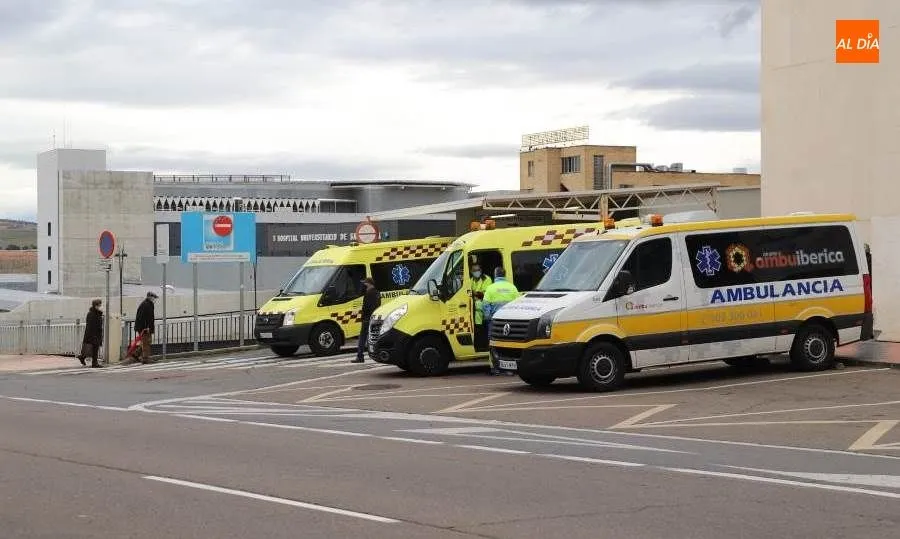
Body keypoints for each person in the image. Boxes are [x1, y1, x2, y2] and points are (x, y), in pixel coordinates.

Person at [482, 267, 520, 375]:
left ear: (495, 275)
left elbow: (485, 305)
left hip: (496, 322)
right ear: (505, 275)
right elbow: (518, 304)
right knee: (510, 344)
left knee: (494, 344)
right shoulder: (512, 288)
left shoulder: (490, 288)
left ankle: (495, 368)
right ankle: (510, 369)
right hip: (511, 322)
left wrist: (488, 317)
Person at [353, 277, 381, 363]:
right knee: (374, 337)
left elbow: (368, 307)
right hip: (374, 318)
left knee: (362, 338)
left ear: (369, 284)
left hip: (367, 318)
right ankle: (378, 355)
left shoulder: (369, 294)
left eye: (365, 283)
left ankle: (360, 356)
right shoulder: (376, 293)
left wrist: (363, 315)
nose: (363, 285)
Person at [470, 263, 492, 351]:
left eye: (478, 270)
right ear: (471, 272)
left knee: (486, 328)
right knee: (478, 329)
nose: (476, 272)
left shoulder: (486, 279)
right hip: (476, 311)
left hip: (486, 307)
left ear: (481, 270)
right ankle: (480, 346)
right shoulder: (470, 280)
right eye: (474, 270)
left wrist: (475, 293)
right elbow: (468, 293)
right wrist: (476, 294)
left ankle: (487, 346)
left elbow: (485, 294)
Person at [76, 299, 104, 368]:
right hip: (93, 334)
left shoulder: (97, 313)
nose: (100, 306)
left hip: (95, 334)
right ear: (95, 306)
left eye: (100, 305)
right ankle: (94, 363)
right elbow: (91, 326)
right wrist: (93, 335)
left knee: (93, 348)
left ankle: (83, 357)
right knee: (93, 348)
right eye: (99, 305)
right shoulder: (91, 314)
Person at [132, 291, 158, 364]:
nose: (155, 299)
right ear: (150, 297)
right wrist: (146, 327)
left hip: (145, 327)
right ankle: (145, 359)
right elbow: (143, 318)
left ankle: (136, 354)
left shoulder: (148, 304)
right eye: (154, 297)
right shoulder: (146, 305)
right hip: (144, 328)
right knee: (146, 343)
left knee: (146, 342)